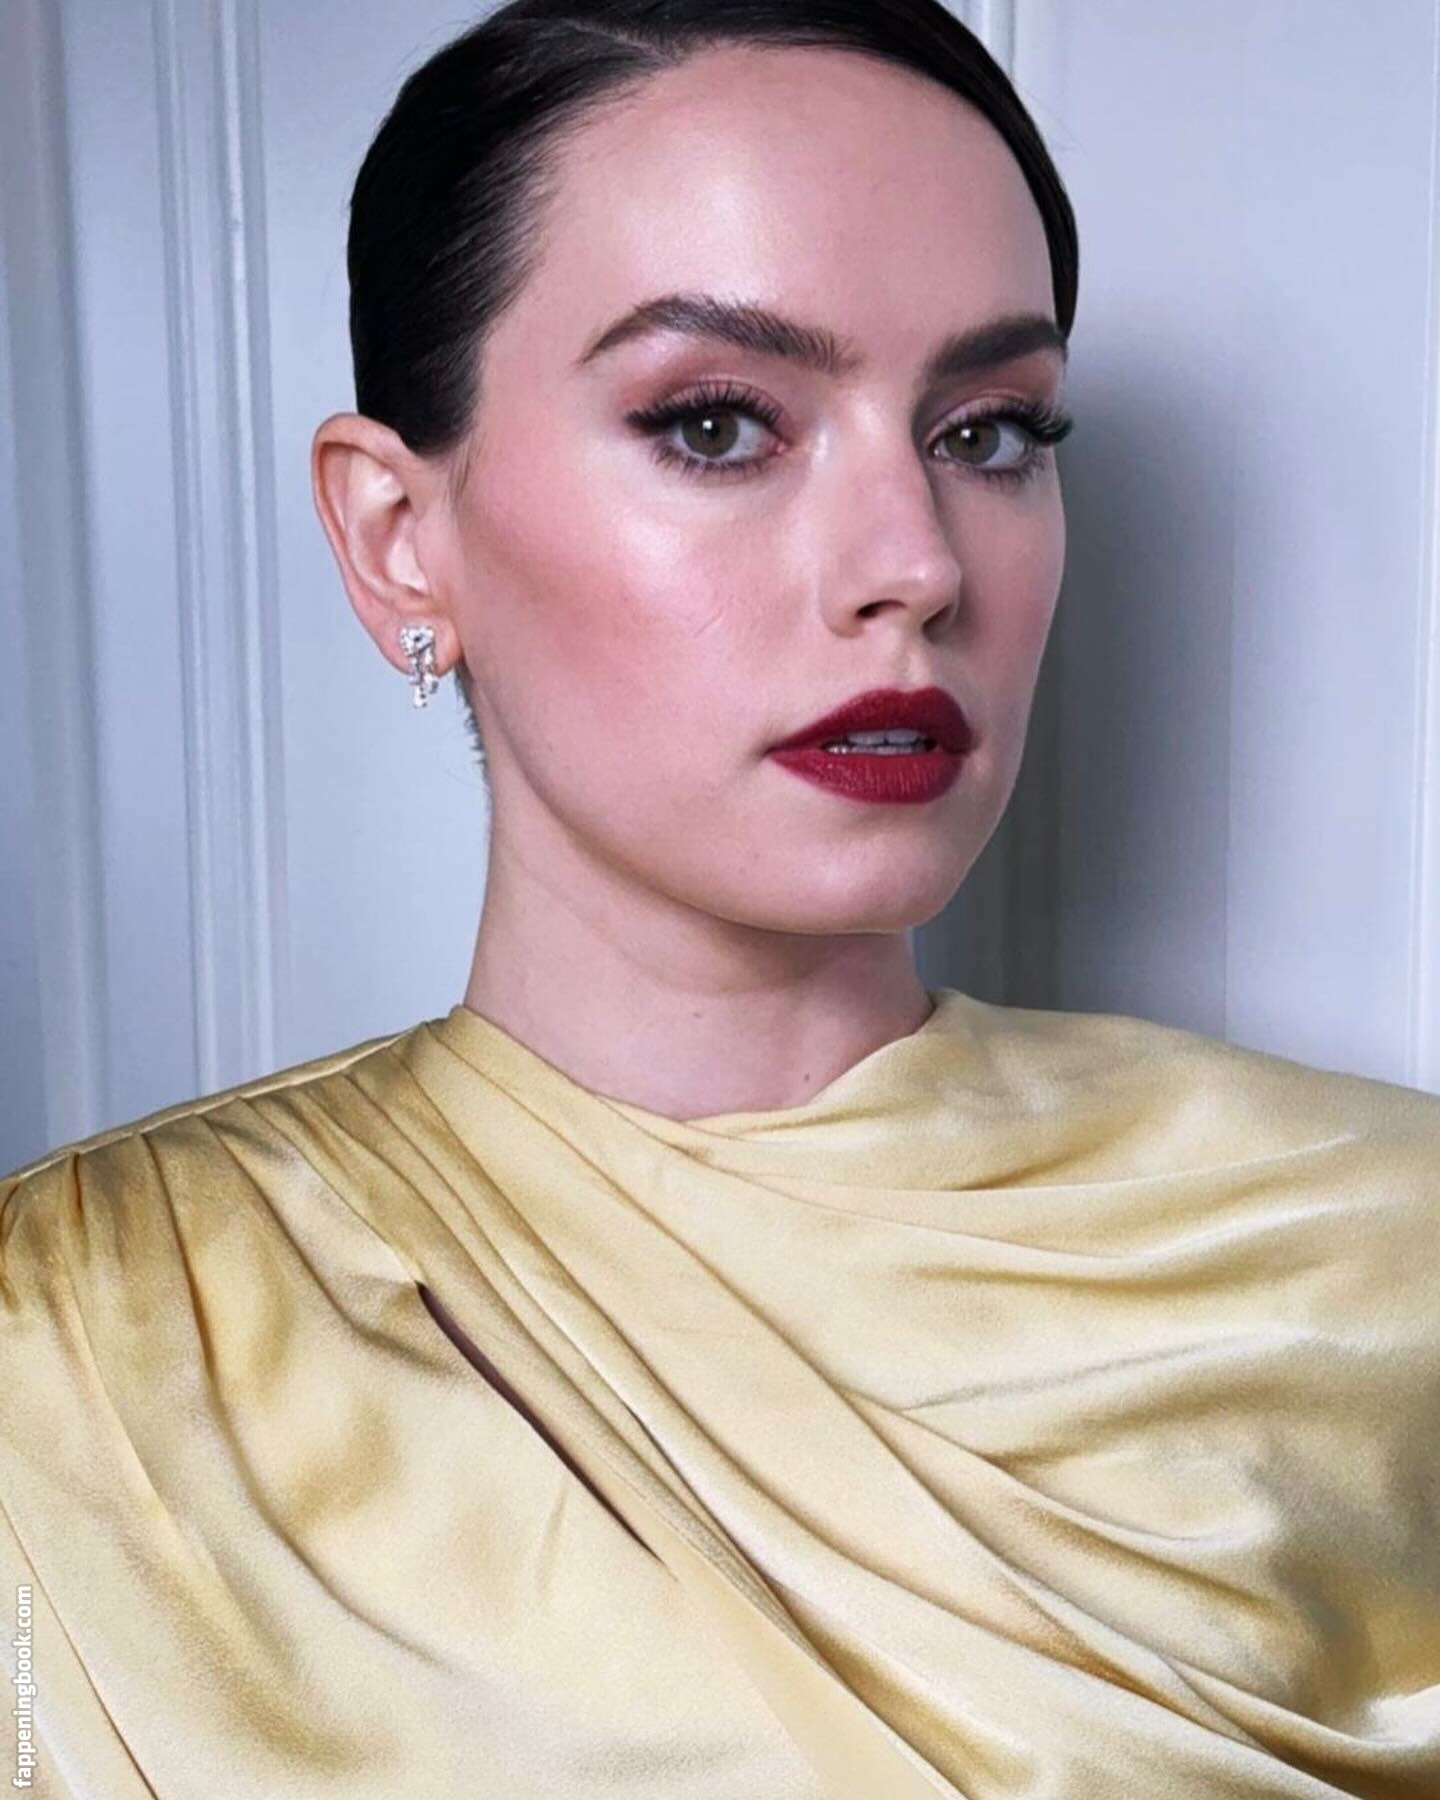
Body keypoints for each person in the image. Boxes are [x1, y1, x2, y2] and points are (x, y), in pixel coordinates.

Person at [2, 2, 1436, 1794]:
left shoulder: (1379, 1266)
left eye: (993, 432)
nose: (914, 564)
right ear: (397, 538)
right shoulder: (82, 1339)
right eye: (715, 423)